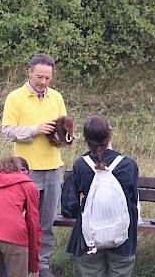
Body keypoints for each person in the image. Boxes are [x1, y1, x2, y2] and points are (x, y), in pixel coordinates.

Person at [1, 53, 68, 277]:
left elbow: (63, 128)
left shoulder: (57, 98)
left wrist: (65, 137)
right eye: (40, 77)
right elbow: (7, 131)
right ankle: (22, 265)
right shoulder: (15, 97)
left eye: (48, 78)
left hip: (53, 167)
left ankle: (42, 265)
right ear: (29, 72)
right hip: (26, 171)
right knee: (24, 221)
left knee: (47, 221)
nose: (43, 82)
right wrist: (35, 129)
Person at [64, 115, 139, 277]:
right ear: (109, 134)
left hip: (89, 239)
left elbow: (73, 204)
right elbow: (133, 200)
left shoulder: (80, 165)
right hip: (123, 239)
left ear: (85, 139)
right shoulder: (128, 165)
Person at [0, 156, 40, 277]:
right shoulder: (27, 185)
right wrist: (34, 265)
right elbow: (33, 224)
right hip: (13, 235)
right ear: (25, 172)